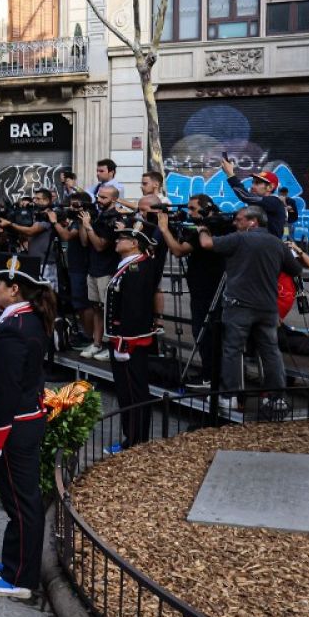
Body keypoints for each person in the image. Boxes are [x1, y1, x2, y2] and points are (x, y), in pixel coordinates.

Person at [0, 266, 56, 601]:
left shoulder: (15, 328)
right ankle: (15, 562)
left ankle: (20, 578)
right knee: (19, 500)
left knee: (22, 503)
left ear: (15, 290)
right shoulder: (25, 319)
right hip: (23, 420)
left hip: (14, 425)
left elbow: (6, 387)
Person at [201, 207, 303, 410]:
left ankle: (229, 395)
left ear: (252, 222)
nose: (234, 223)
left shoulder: (239, 239)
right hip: (267, 307)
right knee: (271, 352)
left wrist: (203, 228)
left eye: (239, 220)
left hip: (239, 306)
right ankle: (276, 398)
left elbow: (206, 244)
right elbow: (296, 270)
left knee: (232, 350)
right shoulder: (276, 242)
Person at [157, 196, 227, 389]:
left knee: (204, 332)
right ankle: (211, 374)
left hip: (206, 290)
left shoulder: (204, 230)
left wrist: (164, 229)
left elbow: (178, 250)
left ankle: (209, 377)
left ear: (206, 209)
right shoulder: (217, 226)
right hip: (208, 288)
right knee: (209, 333)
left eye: (193, 209)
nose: (189, 213)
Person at [104, 229, 158, 452]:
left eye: (122, 238)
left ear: (134, 243)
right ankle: (133, 437)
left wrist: (125, 342)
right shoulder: (130, 266)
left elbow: (134, 309)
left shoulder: (135, 270)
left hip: (129, 341)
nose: (116, 240)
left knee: (132, 392)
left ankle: (135, 441)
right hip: (125, 338)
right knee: (127, 391)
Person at [79, 186, 126, 359]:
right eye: (98, 196)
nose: (99, 200)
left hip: (107, 270)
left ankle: (110, 345)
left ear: (114, 200)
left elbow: (100, 245)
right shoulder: (98, 215)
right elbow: (85, 242)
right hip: (93, 269)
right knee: (97, 308)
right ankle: (97, 343)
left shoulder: (115, 219)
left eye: (104, 198)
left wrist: (89, 227)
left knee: (110, 310)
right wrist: (85, 225)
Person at [221, 157, 287, 239]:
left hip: (268, 249)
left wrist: (230, 174)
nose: (252, 186)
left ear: (270, 187)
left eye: (257, 183)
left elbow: (245, 196)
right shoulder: (260, 205)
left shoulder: (274, 202)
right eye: (252, 183)